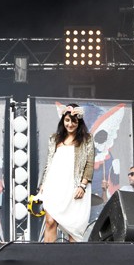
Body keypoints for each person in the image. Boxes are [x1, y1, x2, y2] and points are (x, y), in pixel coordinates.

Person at [38, 103, 95, 243]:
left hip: (74, 186)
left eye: (74, 121)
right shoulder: (54, 138)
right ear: (63, 120)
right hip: (54, 184)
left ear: (79, 122)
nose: (70, 124)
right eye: (67, 120)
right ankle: (46, 259)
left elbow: (89, 163)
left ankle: (71, 262)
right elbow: (49, 163)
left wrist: (82, 186)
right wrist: (43, 185)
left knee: (73, 228)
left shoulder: (87, 139)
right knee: (50, 221)